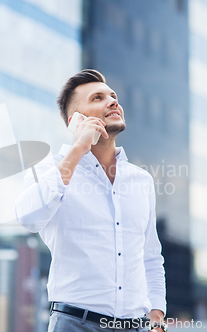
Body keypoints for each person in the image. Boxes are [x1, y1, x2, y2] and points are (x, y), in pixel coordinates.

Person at [14, 69, 167, 332]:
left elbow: (150, 257)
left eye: (113, 96)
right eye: (97, 98)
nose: (112, 101)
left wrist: (156, 318)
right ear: (76, 120)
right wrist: (78, 148)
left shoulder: (140, 180)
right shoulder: (49, 170)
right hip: (75, 324)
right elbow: (28, 218)